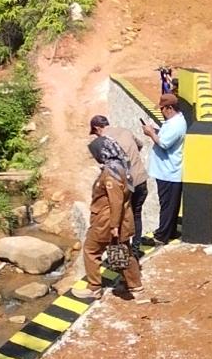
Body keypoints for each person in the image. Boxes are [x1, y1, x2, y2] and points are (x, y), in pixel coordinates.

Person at [76, 136, 143, 301]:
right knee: (124, 250)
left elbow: (116, 200)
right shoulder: (123, 166)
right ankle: (135, 284)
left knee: (91, 250)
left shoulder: (110, 174)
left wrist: (114, 226)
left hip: (106, 220)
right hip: (122, 218)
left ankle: (94, 288)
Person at [89, 115, 148, 256]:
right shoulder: (125, 130)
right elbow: (140, 145)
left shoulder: (105, 142)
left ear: (97, 128)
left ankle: (122, 255)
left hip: (125, 183)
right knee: (137, 214)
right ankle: (135, 250)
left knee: (121, 216)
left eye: (95, 132)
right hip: (140, 179)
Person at [142, 92, 186, 245]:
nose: (161, 112)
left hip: (168, 172)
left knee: (167, 205)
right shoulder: (175, 122)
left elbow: (164, 144)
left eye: (162, 109)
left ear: (169, 108)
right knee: (170, 204)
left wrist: (150, 133)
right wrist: (156, 131)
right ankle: (169, 231)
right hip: (167, 171)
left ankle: (162, 236)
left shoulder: (176, 125)